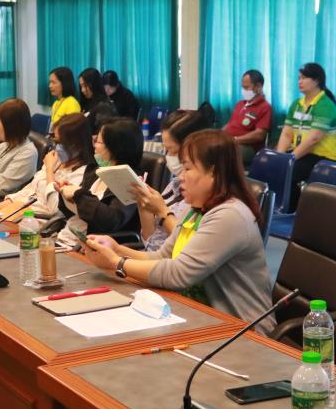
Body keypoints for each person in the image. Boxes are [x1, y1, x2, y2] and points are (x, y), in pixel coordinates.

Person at [83, 130, 275, 334]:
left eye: (188, 169)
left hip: (242, 331)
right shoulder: (196, 210)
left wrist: (116, 263)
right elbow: (162, 257)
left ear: (214, 173)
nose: (180, 177)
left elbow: (178, 273)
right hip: (202, 318)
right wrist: (116, 249)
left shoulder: (230, 215)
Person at [130, 110, 210, 252]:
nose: (168, 156)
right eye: (166, 150)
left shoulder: (207, 198)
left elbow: (189, 247)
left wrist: (162, 211)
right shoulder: (175, 184)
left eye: (173, 151)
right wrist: (144, 204)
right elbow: (151, 242)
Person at [0, 114, 93, 217]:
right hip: (21, 211)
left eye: (61, 143)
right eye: (55, 141)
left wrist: (49, 170)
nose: (57, 147)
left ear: (77, 146)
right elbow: (31, 190)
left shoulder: (82, 174)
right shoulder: (56, 160)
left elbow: (55, 209)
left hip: (38, 219)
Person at [55, 118, 143, 243]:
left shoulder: (129, 181)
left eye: (98, 142)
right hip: (68, 238)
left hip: (92, 246)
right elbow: (71, 213)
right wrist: (65, 193)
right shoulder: (95, 171)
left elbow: (110, 221)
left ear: (114, 148)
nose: (94, 145)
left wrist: (78, 194)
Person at [275, 63, 336, 212]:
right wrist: (279, 157)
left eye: (304, 78)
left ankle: (289, 212)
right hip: (301, 153)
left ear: (316, 81)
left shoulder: (325, 105)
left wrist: (290, 159)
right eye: (299, 78)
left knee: (289, 172)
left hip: (321, 157)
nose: (300, 82)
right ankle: (275, 209)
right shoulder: (296, 104)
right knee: (274, 167)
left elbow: (314, 139)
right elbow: (286, 133)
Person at [222, 69, 272, 165]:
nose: (243, 90)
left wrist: (234, 140)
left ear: (258, 87)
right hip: (230, 142)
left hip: (248, 147)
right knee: (207, 145)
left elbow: (259, 135)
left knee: (221, 151)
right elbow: (230, 125)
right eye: (242, 87)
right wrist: (217, 135)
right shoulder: (240, 104)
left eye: (246, 87)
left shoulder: (265, 107)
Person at [78, 68, 118, 132]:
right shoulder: (87, 102)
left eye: (85, 86)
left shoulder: (104, 106)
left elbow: (103, 132)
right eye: (81, 86)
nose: (82, 90)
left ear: (95, 85)